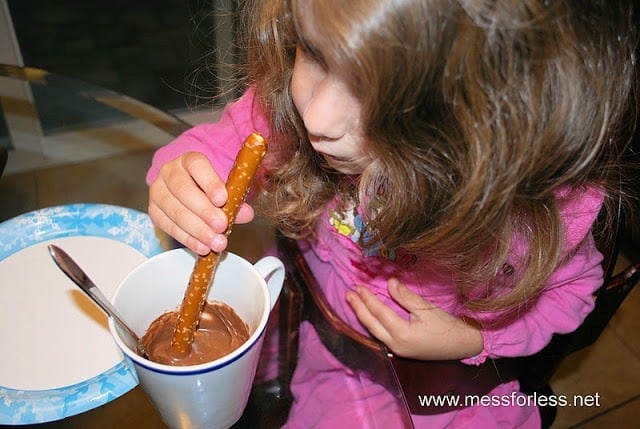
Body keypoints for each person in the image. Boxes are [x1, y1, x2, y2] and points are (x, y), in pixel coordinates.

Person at [146, 0, 638, 427]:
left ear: (496, 129)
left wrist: (472, 338)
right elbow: (219, 145)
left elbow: (570, 295)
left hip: (445, 385)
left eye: (382, 96)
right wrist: (181, 182)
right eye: (314, 53)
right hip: (318, 333)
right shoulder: (295, 113)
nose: (317, 118)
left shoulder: (529, 215)